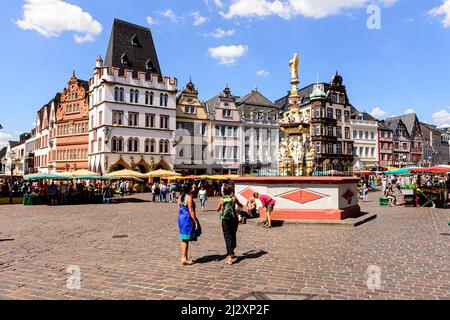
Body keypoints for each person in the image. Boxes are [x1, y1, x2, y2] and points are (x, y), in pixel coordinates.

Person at [216, 184, 243, 265]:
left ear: (223, 191)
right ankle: (232, 249)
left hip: (225, 220)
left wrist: (221, 207)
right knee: (233, 234)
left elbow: (217, 209)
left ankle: (229, 257)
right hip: (234, 219)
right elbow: (241, 205)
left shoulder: (221, 199)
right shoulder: (234, 198)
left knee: (227, 238)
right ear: (231, 191)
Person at [178, 184, 201, 266]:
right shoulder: (189, 197)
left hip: (181, 218)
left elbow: (179, 208)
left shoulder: (180, 197)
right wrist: (195, 221)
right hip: (187, 219)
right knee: (186, 239)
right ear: (189, 189)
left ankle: (184, 257)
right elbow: (191, 211)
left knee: (183, 238)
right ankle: (184, 258)